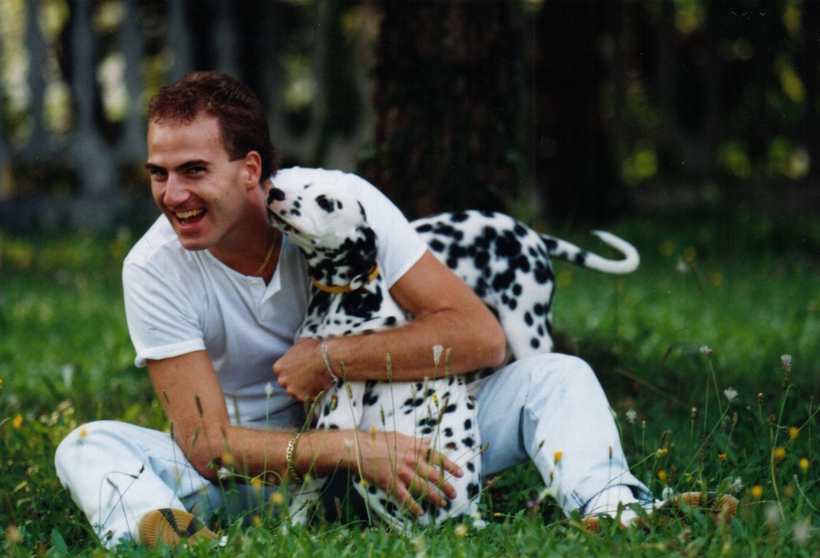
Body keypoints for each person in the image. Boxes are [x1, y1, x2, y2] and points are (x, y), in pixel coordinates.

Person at [54, 72, 733, 548]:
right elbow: (206, 447)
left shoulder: (340, 206)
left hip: (410, 444)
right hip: (258, 478)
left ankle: (617, 511)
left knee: (556, 375)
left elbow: (478, 337)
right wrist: (352, 451)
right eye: (157, 174)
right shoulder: (152, 267)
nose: (171, 195)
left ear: (251, 171)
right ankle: (178, 541)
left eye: (193, 170)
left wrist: (331, 360)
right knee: (87, 445)